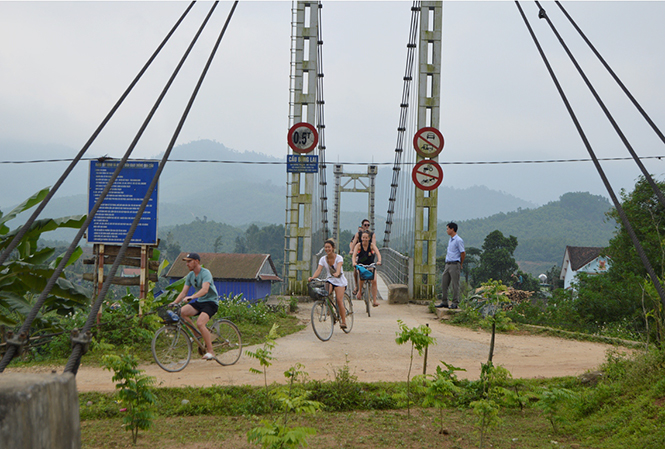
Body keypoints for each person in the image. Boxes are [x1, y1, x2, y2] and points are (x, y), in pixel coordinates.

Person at [170, 252, 220, 360]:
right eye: (186, 262)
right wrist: (174, 303)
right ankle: (196, 334)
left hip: (211, 302)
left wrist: (192, 297)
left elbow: (205, 290)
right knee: (181, 312)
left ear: (196, 262)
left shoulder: (206, 273)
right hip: (200, 301)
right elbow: (183, 293)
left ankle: (211, 352)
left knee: (200, 323)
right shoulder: (190, 275)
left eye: (189, 261)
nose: (187, 264)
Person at [309, 238, 349, 329]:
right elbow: (319, 270)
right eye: (326, 247)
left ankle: (344, 321)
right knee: (325, 295)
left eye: (329, 247)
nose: (327, 249)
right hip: (330, 280)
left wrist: (337, 273)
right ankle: (331, 313)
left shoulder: (339, 258)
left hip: (340, 281)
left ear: (333, 248)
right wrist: (313, 277)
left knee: (339, 300)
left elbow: (338, 267)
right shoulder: (323, 259)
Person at [436, 222, 466, 309]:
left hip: (454, 264)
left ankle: (455, 303)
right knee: (444, 283)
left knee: (455, 284)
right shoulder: (451, 239)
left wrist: (460, 263)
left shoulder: (458, 240)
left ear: (452, 229)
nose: (447, 230)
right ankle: (444, 301)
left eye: (447, 228)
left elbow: (463, 252)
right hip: (448, 264)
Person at [352, 230, 382, 307]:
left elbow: (378, 253)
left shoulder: (371, 245)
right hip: (361, 264)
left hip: (370, 264)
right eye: (363, 237)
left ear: (369, 238)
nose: (364, 239)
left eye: (366, 237)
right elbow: (354, 255)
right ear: (361, 238)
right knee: (362, 276)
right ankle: (360, 291)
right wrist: (354, 263)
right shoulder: (358, 245)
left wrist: (379, 261)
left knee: (374, 281)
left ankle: (374, 301)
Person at [349, 219, 377, 296]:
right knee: (356, 269)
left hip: (369, 253)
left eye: (368, 225)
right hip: (360, 253)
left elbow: (374, 243)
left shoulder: (372, 234)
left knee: (372, 271)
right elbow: (354, 242)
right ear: (362, 226)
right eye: (365, 225)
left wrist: (373, 250)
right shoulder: (358, 234)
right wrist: (352, 250)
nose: (367, 226)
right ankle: (356, 286)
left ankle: (371, 290)